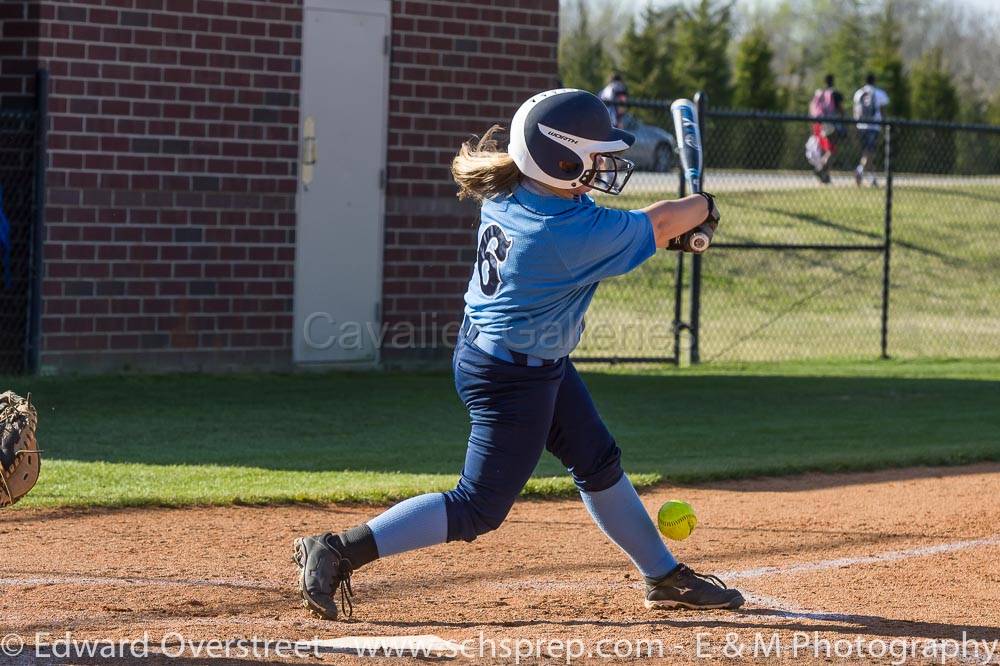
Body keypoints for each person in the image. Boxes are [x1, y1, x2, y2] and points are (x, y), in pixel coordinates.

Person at [291, 89, 742, 621]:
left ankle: (663, 575)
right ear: (560, 158)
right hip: (511, 378)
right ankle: (339, 549)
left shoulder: (517, 191)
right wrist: (705, 207)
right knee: (477, 507)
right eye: (595, 156)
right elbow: (662, 222)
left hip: (517, 359)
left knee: (597, 461)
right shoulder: (564, 230)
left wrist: (678, 232)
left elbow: (634, 236)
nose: (605, 166)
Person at [853, 73, 890, 187]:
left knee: (867, 152)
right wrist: (884, 125)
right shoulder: (879, 93)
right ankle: (860, 170)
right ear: (874, 81)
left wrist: (855, 125)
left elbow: (856, 111)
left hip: (861, 126)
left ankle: (872, 179)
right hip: (873, 127)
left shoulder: (859, 93)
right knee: (870, 153)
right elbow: (883, 111)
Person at [806, 74, 845, 183]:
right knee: (831, 150)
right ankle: (820, 168)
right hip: (830, 124)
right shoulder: (835, 94)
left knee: (823, 149)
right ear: (833, 81)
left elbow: (811, 108)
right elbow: (841, 110)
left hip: (817, 124)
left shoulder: (818, 94)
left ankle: (825, 177)